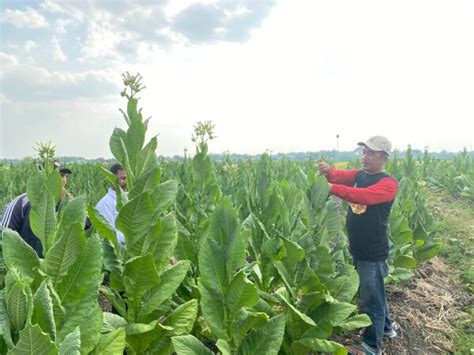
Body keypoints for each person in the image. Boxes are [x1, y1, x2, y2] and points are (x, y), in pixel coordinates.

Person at [317, 136, 398, 355]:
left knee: (371, 301)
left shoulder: (388, 183)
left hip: (372, 252)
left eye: (371, 153)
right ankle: (388, 329)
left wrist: (332, 188)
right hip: (359, 248)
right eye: (364, 152)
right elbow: (339, 176)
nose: (365, 157)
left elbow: (364, 196)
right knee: (375, 292)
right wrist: (328, 170)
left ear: (383, 157)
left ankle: (371, 346)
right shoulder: (360, 175)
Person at [0, 161, 72, 257]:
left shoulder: (69, 204)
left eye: (62, 175)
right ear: (41, 178)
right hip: (25, 266)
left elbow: (84, 228)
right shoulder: (22, 202)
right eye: (53, 175)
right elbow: (3, 234)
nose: (60, 180)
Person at [95, 163, 127, 245]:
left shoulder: (131, 198)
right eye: (122, 179)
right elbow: (109, 234)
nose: (125, 182)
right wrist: (131, 239)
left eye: (126, 178)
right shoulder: (104, 204)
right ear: (112, 179)